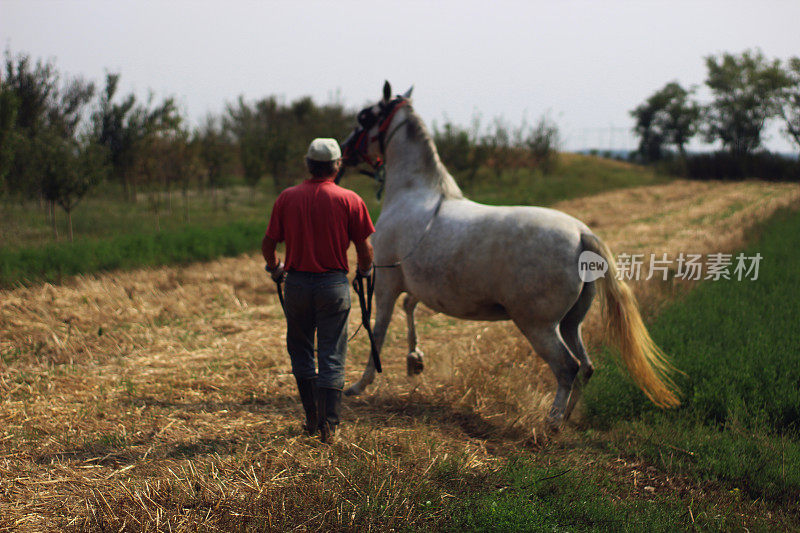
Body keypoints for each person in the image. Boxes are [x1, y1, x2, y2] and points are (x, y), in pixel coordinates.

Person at [262, 138, 375, 442]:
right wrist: (364, 271)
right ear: (337, 166)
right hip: (333, 285)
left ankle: (312, 419)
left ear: (308, 164)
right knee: (332, 353)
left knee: (300, 351)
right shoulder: (350, 199)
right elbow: (365, 248)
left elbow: (269, 244)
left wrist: (275, 268)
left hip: (297, 285)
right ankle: (330, 425)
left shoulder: (287, 197)